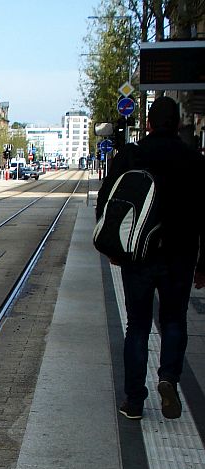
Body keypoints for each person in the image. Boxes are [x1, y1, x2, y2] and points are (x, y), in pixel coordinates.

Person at [96, 96, 205, 420]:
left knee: (138, 326)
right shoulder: (194, 159)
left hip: (139, 254)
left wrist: (115, 248)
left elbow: (107, 199)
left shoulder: (133, 154)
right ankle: (168, 377)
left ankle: (134, 400)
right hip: (180, 256)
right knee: (174, 320)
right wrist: (203, 265)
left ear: (148, 123)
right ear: (180, 123)